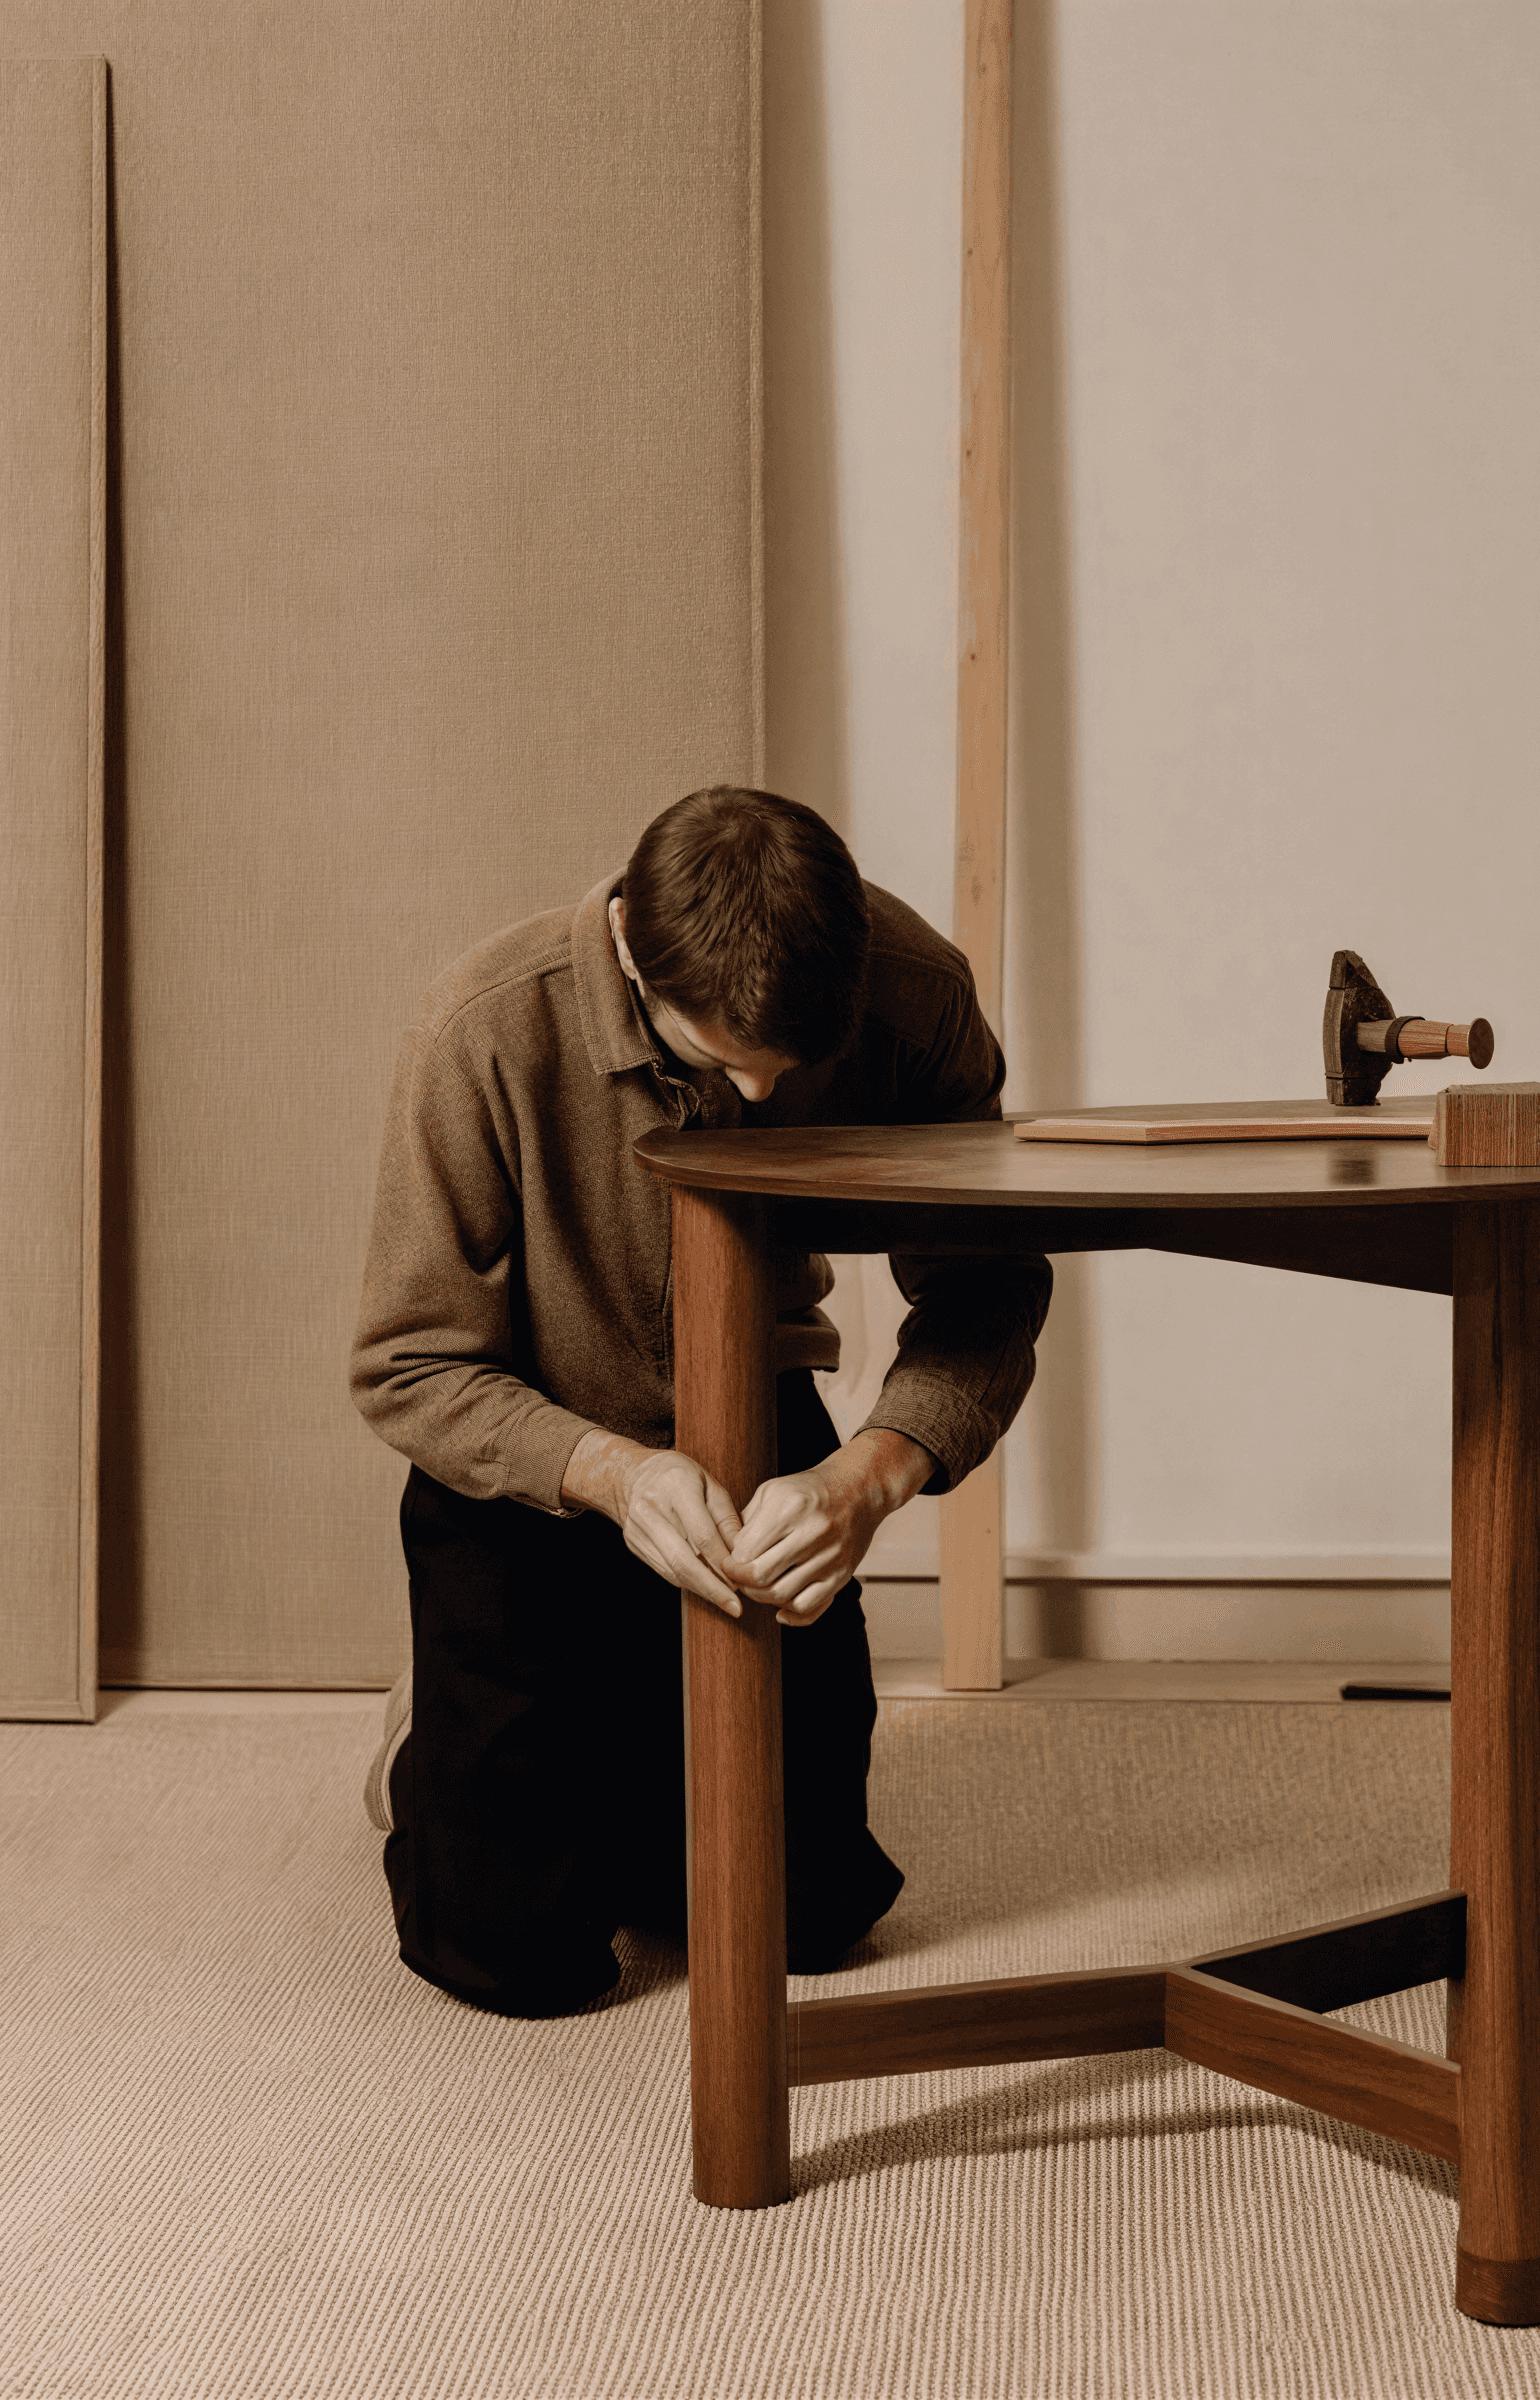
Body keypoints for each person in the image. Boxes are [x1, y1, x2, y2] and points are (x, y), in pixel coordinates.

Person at [349, 786, 1051, 2018]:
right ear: (630, 950)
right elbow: (409, 1363)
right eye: (724, 1065)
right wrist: (613, 1474)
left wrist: (872, 1473)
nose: (765, 1104)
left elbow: (987, 1287)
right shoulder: (484, 1028)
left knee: (806, 1922)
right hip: (534, 1459)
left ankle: (609, 1743)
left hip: (757, 1435)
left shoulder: (917, 997)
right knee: (513, 1957)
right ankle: (429, 1732)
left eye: (796, 1072)